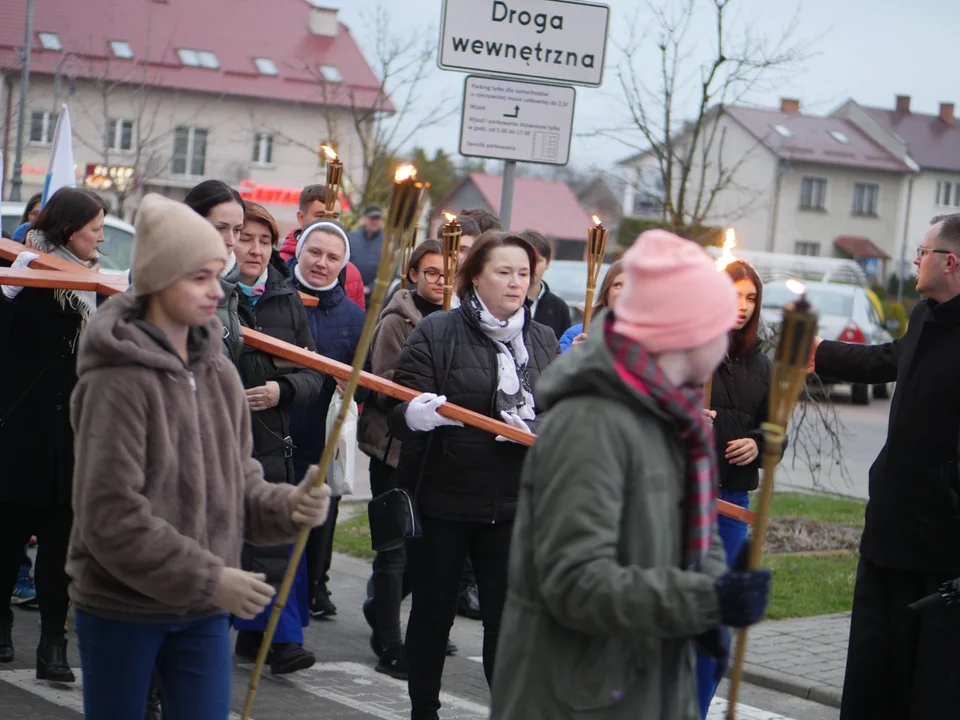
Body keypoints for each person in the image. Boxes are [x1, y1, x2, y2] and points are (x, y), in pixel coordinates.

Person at [68, 193, 331, 719]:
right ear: (160, 279)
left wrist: (288, 507)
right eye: (199, 278)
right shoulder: (117, 382)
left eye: (218, 274)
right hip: (125, 606)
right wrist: (213, 578)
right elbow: (111, 517)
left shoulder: (218, 372)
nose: (217, 290)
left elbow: (240, 485)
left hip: (204, 611)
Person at [490, 230, 772, 720]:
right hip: (576, 695)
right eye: (717, 327)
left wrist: (717, 582)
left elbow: (688, 542)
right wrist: (706, 598)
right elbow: (574, 581)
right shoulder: (592, 423)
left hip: (639, 685)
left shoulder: (672, 420)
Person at [388, 230, 560, 720]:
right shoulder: (438, 331)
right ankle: (424, 710)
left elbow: (565, 412)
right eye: (503, 271)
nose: (514, 282)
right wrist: (420, 414)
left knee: (507, 623)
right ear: (476, 276)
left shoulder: (542, 339)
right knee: (432, 615)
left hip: (513, 506)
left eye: (523, 273)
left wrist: (530, 428)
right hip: (445, 500)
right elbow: (398, 408)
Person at [808, 214, 960, 720]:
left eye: (923, 252)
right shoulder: (923, 314)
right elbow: (891, 358)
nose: (915, 261)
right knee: (875, 668)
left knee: (926, 683)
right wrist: (821, 355)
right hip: (890, 528)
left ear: (950, 261)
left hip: (940, 541)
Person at [0, 187, 109, 681]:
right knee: (7, 539)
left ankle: (52, 644)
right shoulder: (26, 270)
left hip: (71, 438)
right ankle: (1, 626)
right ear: (68, 231)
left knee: (60, 548)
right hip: (22, 436)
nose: (102, 239)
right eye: (95, 230)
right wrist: (8, 294)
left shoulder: (91, 284)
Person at [230, 202, 326, 675]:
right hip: (221, 439)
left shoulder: (285, 298)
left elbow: (315, 373)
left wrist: (282, 389)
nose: (255, 249)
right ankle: (254, 633)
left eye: (265, 241)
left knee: (273, 544)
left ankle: (279, 639)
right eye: (245, 237)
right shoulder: (213, 292)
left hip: (271, 439)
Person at [358, 240, 460, 678]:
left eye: (445, 273)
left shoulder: (457, 322)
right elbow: (383, 385)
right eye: (432, 272)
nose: (439, 281)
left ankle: (378, 607)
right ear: (414, 274)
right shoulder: (397, 321)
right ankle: (392, 645)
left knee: (429, 551)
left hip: (437, 454)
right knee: (394, 551)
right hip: (395, 447)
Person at [695, 259, 782, 717]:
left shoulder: (762, 366)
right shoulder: (690, 348)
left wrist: (758, 442)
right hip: (684, 496)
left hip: (732, 501)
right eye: (734, 295)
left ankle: (695, 707)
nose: (743, 307)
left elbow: (777, 432)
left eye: (752, 298)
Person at [285, 219, 368, 620]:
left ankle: (309, 596)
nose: (321, 263)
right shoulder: (274, 295)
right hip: (274, 430)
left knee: (316, 529)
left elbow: (367, 382)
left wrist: (348, 387)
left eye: (332, 257)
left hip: (320, 439)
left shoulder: (354, 319)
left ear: (343, 266)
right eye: (315, 252)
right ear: (299, 251)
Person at [184, 180, 246, 364]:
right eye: (220, 228)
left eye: (237, 230)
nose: (231, 240)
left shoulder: (231, 282)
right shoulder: (160, 280)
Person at [277, 185, 365, 309]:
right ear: (301, 218)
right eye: (320, 215)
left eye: (335, 217)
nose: (327, 222)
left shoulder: (351, 273)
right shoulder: (277, 265)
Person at [558, 260, 625, 353]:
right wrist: (575, 356)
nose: (623, 292)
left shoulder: (650, 340)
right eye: (617, 285)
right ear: (606, 294)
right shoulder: (577, 334)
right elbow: (558, 365)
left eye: (632, 285)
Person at [519, 229, 571, 342]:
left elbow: (563, 347)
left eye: (537, 261)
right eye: (527, 260)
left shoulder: (558, 307)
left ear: (547, 263)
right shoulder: (506, 298)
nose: (531, 266)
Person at [349, 205, 385, 301]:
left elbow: (389, 271)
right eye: (372, 218)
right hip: (349, 292)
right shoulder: (351, 237)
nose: (375, 221)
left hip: (374, 298)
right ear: (364, 218)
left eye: (377, 218)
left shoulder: (388, 242)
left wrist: (370, 288)